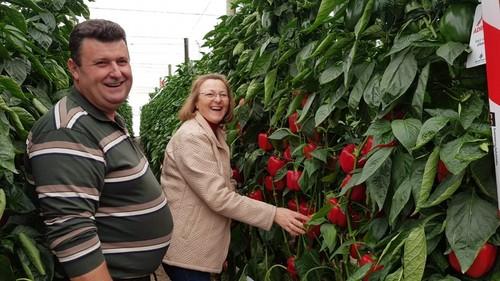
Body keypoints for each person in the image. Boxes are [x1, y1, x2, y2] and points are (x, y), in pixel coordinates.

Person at [25, 19, 173, 281]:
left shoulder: (103, 118)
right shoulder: (68, 130)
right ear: (74, 69)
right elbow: (73, 234)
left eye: (122, 61)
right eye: (102, 63)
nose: (116, 72)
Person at [160, 73, 309, 281]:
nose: (218, 99)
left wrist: (217, 250)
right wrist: (273, 213)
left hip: (200, 246)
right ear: (195, 102)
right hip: (188, 250)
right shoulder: (191, 137)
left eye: (223, 94)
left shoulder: (214, 133)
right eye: (209, 94)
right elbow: (219, 197)